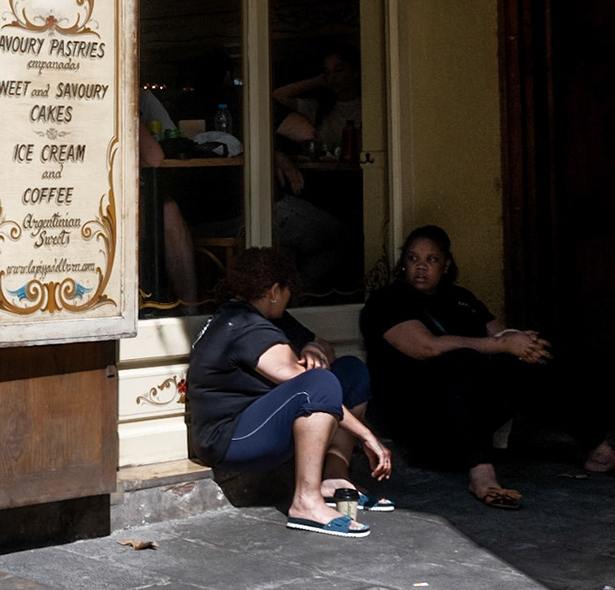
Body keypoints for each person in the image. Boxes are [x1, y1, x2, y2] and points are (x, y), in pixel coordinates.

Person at [359, 225, 614, 508]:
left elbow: (501, 336)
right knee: (461, 361)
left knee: (534, 357)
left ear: (446, 265)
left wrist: (523, 344)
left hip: (469, 417)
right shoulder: (387, 301)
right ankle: (481, 475)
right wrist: (503, 345)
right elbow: (427, 346)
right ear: (403, 263)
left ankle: (597, 447)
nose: (420, 267)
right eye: (412, 258)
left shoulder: (460, 298)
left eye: (431, 259)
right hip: (419, 423)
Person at [188, 247, 392, 537]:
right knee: (320, 383)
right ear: (273, 290)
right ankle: (305, 503)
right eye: (287, 292)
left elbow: (325, 349)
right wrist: (367, 435)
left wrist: (310, 346)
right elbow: (312, 386)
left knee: (350, 371)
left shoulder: (269, 317)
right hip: (230, 440)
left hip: (260, 423)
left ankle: (334, 478)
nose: (288, 298)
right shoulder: (244, 326)